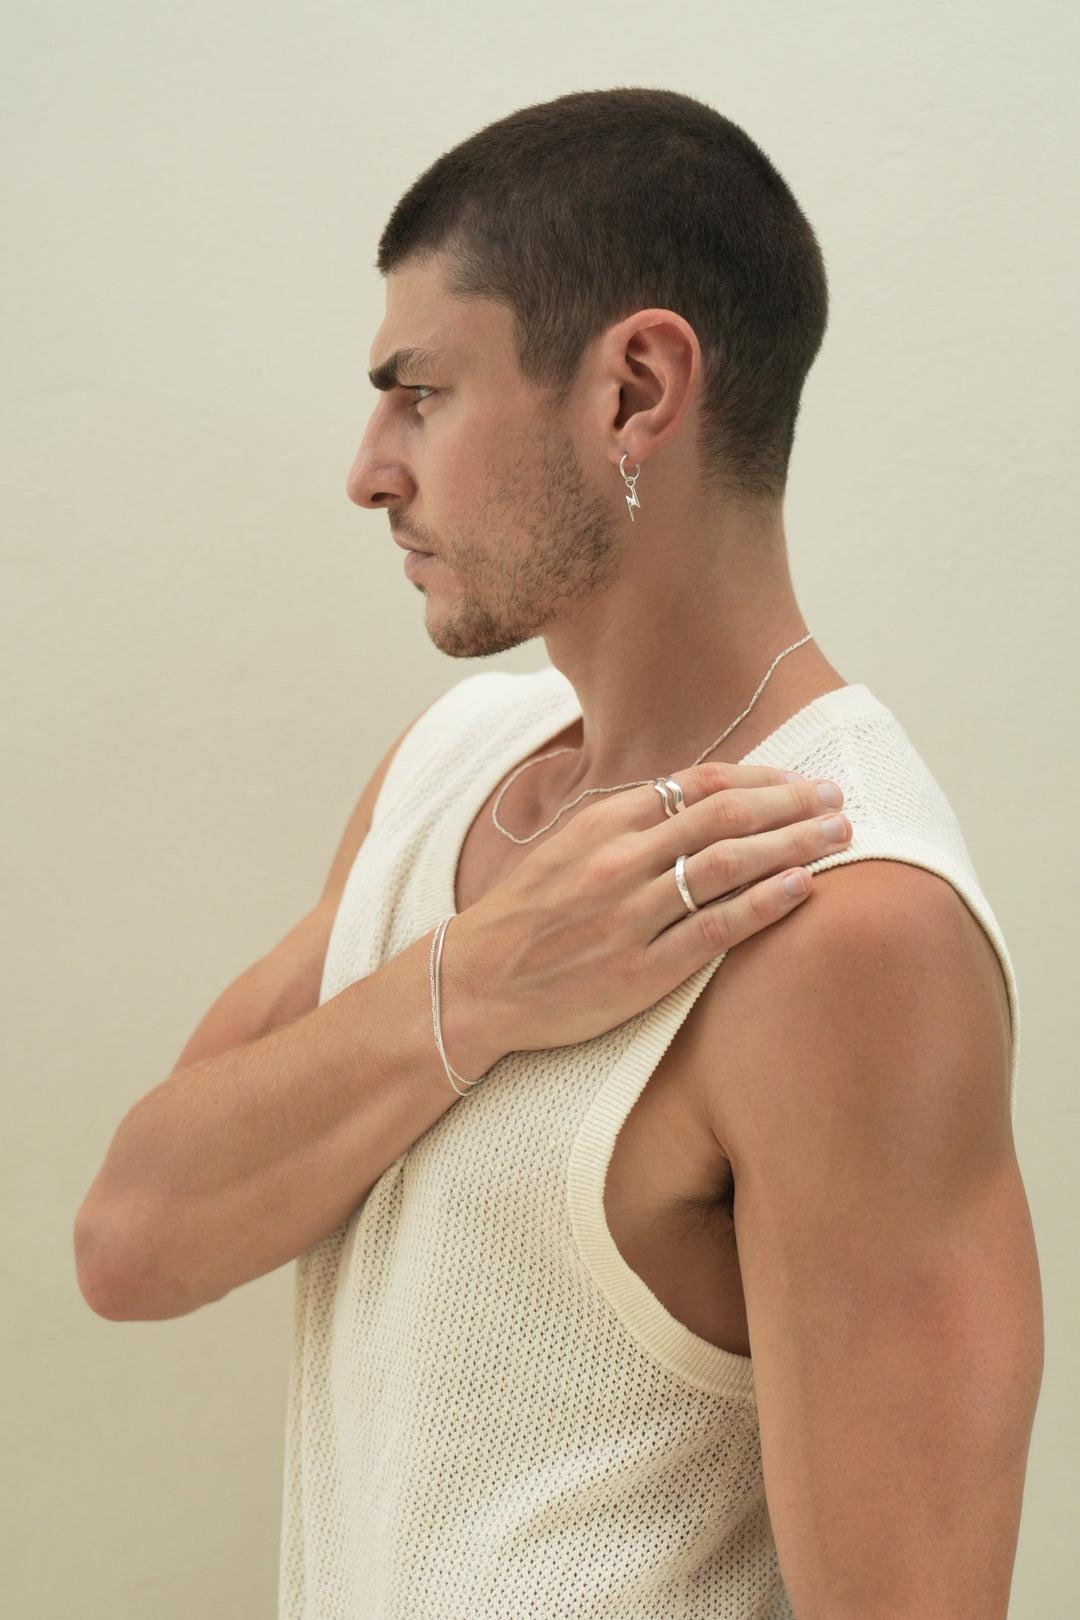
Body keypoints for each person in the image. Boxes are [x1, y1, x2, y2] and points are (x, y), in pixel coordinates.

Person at [75, 88, 1042, 1620]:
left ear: (633, 390)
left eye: (422, 393)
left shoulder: (845, 922)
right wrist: (476, 988)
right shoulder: (451, 769)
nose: (369, 469)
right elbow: (133, 1240)